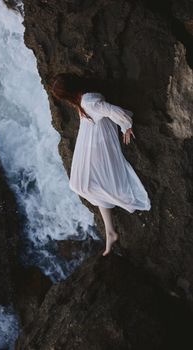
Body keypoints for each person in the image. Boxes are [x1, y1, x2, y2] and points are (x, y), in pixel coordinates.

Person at [50, 73, 151, 256]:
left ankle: (112, 226)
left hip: (97, 143)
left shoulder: (89, 102)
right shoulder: (84, 97)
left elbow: (114, 111)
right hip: (91, 139)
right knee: (84, 184)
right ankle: (110, 231)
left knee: (81, 184)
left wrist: (125, 125)